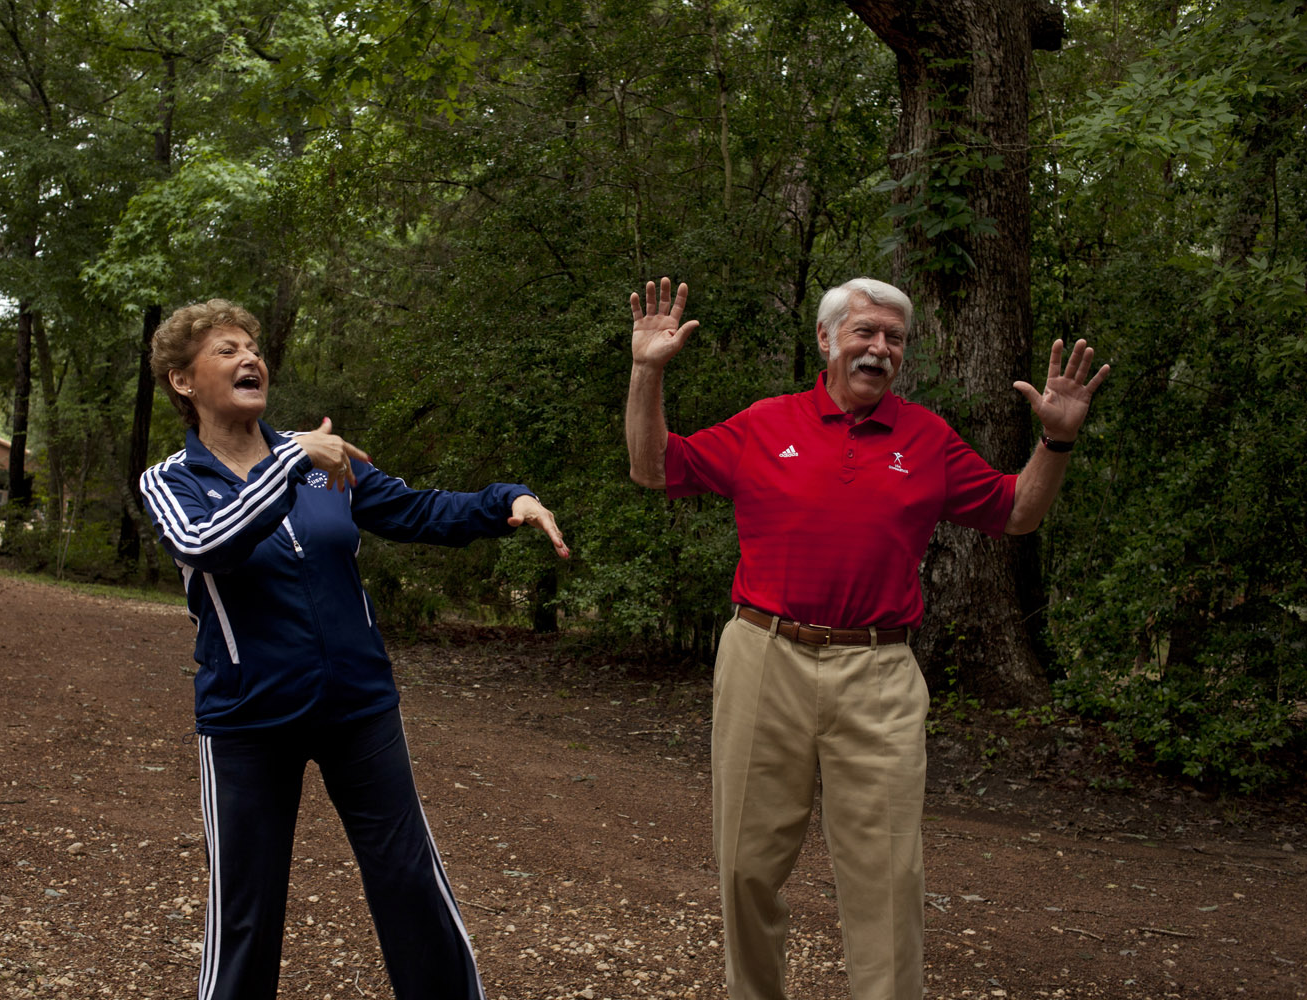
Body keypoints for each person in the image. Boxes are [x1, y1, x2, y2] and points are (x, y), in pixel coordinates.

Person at [624, 276, 1109, 1000]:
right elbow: (652, 466)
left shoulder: (927, 438)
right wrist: (647, 370)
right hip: (764, 655)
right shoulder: (766, 423)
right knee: (746, 866)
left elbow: (1016, 513)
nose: (879, 349)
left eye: (893, 338)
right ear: (825, 339)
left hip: (879, 671)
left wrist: (1058, 438)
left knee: (886, 876)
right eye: (864, 332)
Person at [139, 299, 569, 1000]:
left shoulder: (324, 463)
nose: (251, 357)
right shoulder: (174, 480)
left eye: (254, 347)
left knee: (409, 882)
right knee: (246, 910)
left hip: (359, 708)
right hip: (248, 720)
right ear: (183, 382)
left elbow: (417, 509)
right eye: (226, 350)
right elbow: (206, 545)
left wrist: (504, 502)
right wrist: (289, 460)